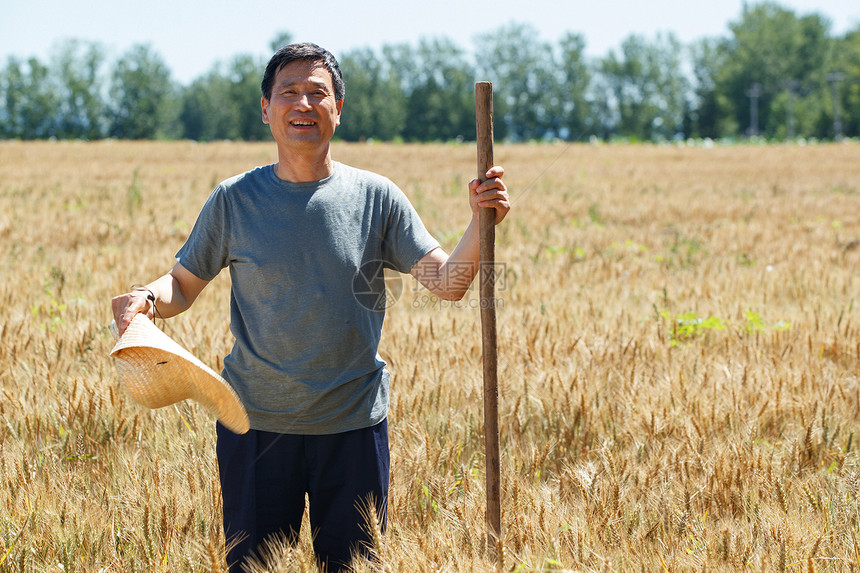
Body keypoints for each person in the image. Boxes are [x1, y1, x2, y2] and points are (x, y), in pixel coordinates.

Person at [111, 42, 510, 572]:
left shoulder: (377, 197)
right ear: (266, 109)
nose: (303, 104)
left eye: (317, 93)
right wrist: (148, 298)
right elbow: (182, 284)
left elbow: (449, 281)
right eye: (289, 93)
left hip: (352, 427)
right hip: (253, 426)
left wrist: (481, 223)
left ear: (337, 109)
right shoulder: (233, 200)